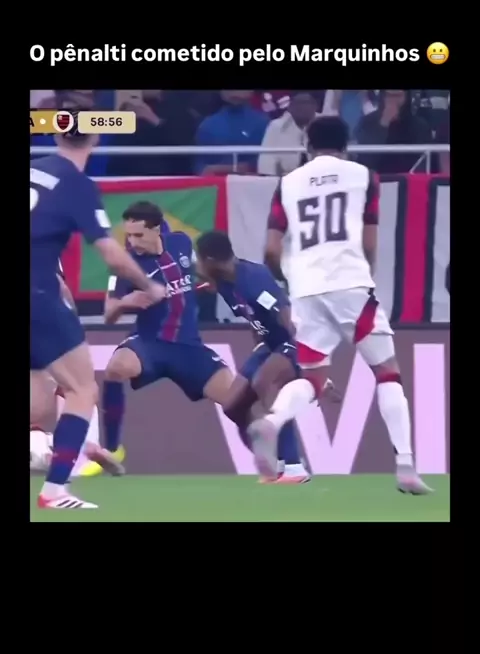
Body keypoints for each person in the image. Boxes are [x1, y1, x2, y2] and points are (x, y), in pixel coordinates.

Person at [263, 115, 432, 494]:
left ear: (307, 144)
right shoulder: (364, 176)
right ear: (347, 144)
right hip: (351, 283)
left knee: (312, 379)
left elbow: (271, 250)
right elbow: (369, 240)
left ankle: (271, 422)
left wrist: (290, 278)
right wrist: (364, 275)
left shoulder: (287, 183)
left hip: (306, 289)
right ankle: (405, 465)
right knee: (387, 373)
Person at [30, 118, 167, 509]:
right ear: (96, 137)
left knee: (38, 394)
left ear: (55, 135)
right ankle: (55, 491)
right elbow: (110, 254)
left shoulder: (33, 169)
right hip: (36, 293)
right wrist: (148, 285)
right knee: (82, 389)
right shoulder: (76, 183)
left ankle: (51, 447)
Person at [82, 202, 238, 477]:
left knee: (239, 403)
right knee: (116, 368)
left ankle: (282, 463)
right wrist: (125, 303)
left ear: (157, 230)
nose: (132, 242)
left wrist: (213, 281)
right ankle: (113, 449)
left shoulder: (181, 243)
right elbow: (108, 314)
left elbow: (197, 270)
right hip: (150, 344)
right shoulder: (125, 267)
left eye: (139, 235)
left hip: (189, 348)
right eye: (129, 235)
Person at [196, 231, 340, 482]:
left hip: (295, 339)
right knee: (232, 406)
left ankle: (294, 467)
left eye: (198, 259)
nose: (196, 265)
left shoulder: (254, 280)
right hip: (270, 344)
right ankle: (273, 461)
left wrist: (311, 365)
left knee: (266, 382)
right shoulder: (222, 280)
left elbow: (287, 318)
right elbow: (254, 318)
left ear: (210, 260)